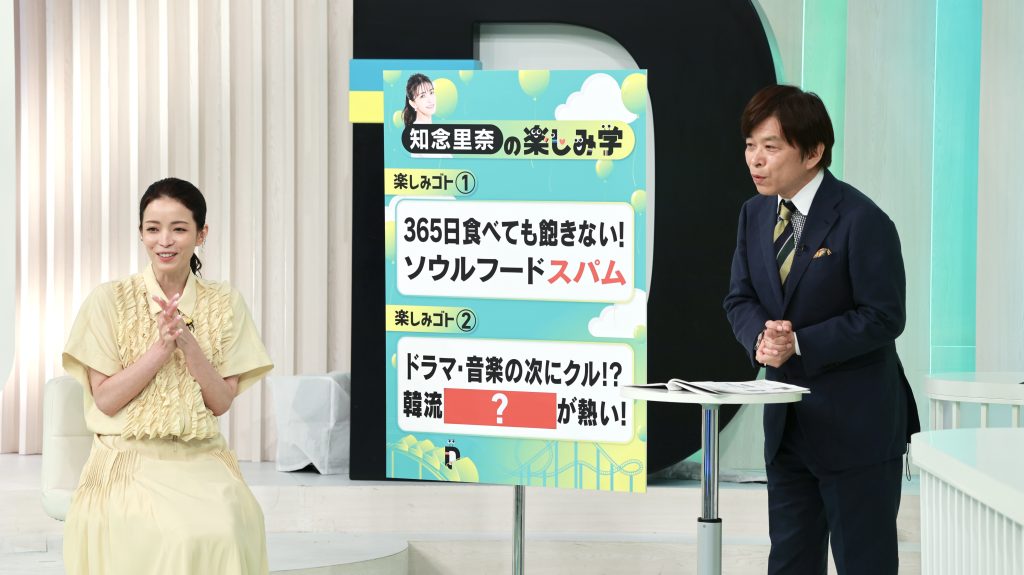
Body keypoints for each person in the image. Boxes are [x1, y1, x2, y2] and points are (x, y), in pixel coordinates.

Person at [723, 85, 920, 575]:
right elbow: (739, 298)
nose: (756, 159)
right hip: (787, 426)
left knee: (864, 563)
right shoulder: (753, 214)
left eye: (771, 147)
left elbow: (884, 316)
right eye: (750, 145)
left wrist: (799, 343)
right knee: (789, 562)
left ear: (813, 153)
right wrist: (762, 337)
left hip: (857, 428)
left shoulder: (863, 219)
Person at [62, 177, 273, 574]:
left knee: (232, 526)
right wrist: (160, 349)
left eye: (178, 229)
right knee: (179, 534)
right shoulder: (108, 300)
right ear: (141, 233)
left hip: (202, 456)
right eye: (153, 229)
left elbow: (220, 403)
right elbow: (105, 400)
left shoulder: (226, 301)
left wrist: (188, 345)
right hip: (128, 458)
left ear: (201, 234)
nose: (165, 241)